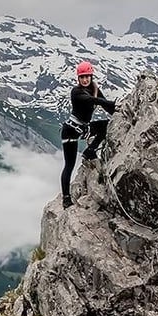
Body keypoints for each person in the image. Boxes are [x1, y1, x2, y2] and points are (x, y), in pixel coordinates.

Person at [60, 61, 116, 208]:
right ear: (78, 78)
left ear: (91, 76)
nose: (85, 80)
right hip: (70, 130)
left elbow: (103, 105)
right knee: (69, 165)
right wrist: (112, 103)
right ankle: (66, 199)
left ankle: (89, 152)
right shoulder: (76, 92)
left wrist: (117, 113)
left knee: (106, 126)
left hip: (83, 128)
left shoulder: (94, 89)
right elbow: (93, 100)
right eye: (82, 77)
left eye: (87, 77)